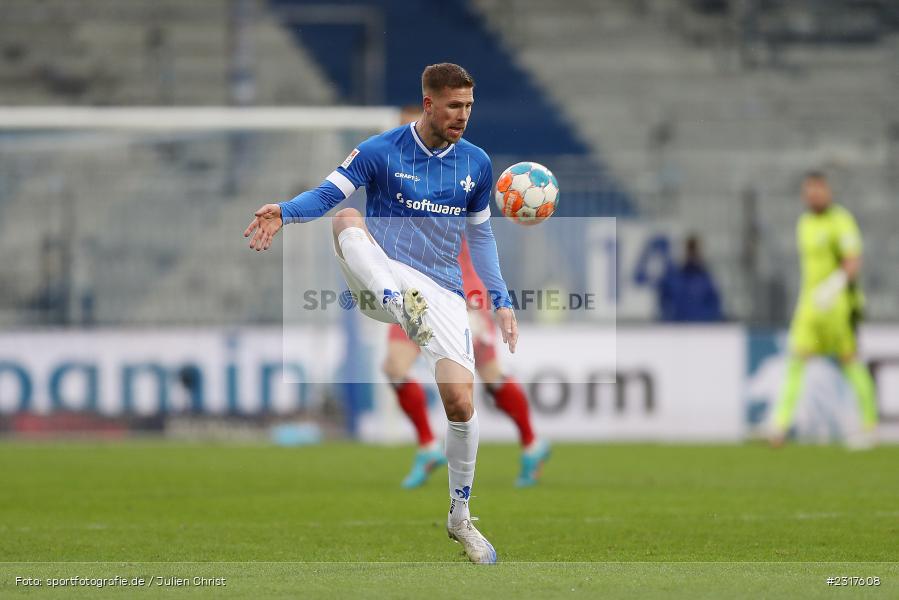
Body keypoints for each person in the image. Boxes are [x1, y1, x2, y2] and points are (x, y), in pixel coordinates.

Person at [244, 63, 515, 564]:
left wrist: (500, 299)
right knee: (346, 217)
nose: (463, 116)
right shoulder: (379, 151)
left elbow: (481, 237)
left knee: (460, 402)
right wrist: (283, 210)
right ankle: (396, 302)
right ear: (429, 103)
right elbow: (327, 196)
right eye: (454, 106)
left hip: (442, 294)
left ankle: (460, 517)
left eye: (469, 106)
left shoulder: (476, 163)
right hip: (380, 276)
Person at [384, 106, 549, 490]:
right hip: (412, 288)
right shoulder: (394, 171)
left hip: (459, 288)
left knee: (489, 379)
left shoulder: (456, 171)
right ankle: (427, 446)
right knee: (394, 366)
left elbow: (475, 234)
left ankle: (532, 443)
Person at [770, 171, 878, 447]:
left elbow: (853, 261)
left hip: (837, 305)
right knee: (795, 360)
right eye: (808, 191)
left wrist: (834, 286)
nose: (813, 196)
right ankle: (779, 426)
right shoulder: (804, 222)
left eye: (817, 190)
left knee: (849, 361)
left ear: (827, 191)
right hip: (809, 306)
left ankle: (870, 424)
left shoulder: (841, 221)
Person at [657, 235, 723, 322]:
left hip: (701, 329)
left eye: (694, 250)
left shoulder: (706, 279)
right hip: (677, 329)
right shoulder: (673, 278)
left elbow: (715, 305)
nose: (692, 255)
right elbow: (664, 303)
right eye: (689, 250)